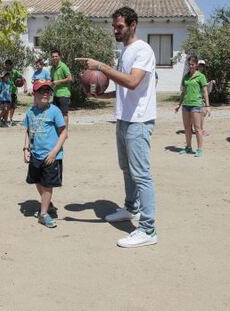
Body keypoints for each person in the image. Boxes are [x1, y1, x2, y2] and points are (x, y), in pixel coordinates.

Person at [76, 6, 158, 248]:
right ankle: (131, 208)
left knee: (141, 174)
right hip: (123, 118)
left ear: (133, 25)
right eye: (114, 26)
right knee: (126, 168)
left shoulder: (144, 50)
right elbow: (124, 88)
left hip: (139, 121)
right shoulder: (125, 52)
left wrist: (101, 67)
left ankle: (148, 229)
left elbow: (133, 82)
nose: (115, 30)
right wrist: (104, 96)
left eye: (119, 26)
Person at [23, 80, 67, 228]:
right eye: (41, 91)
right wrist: (25, 149)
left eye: (48, 91)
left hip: (51, 156)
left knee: (47, 185)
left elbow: (64, 133)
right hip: (35, 154)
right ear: (34, 94)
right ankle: (47, 204)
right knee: (37, 180)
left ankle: (43, 214)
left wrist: (54, 151)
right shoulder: (30, 112)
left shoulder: (54, 111)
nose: (45, 94)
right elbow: (28, 131)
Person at [175, 56, 210, 157]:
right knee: (187, 128)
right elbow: (183, 92)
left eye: (192, 64)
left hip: (196, 105)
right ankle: (188, 147)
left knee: (198, 128)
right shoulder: (186, 77)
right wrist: (179, 104)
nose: (190, 66)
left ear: (196, 65)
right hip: (186, 105)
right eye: (189, 64)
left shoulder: (201, 76)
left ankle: (199, 149)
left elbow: (205, 92)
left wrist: (207, 106)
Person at [50, 50, 72, 127]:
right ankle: (58, 130)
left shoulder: (63, 66)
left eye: (56, 56)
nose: (54, 58)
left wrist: (59, 81)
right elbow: (53, 81)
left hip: (64, 93)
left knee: (64, 113)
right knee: (56, 113)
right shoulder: (52, 68)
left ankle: (65, 131)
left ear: (59, 57)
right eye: (53, 56)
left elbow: (70, 78)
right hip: (56, 94)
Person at [5, 59, 27, 123]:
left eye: (9, 65)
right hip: (6, 92)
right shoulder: (4, 72)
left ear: (11, 65)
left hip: (13, 91)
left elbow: (23, 79)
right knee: (6, 106)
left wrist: (25, 87)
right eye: (6, 65)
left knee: (13, 106)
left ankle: (10, 119)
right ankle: (5, 119)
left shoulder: (15, 72)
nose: (7, 66)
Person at [197, 59, 214, 136]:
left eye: (202, 66)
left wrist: (210, 83)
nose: (201, 67)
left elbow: (203, 86)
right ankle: (200, 130)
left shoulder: (202, 75)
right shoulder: (196, 75)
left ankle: (199, 129)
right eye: (200, 65)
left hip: (201, 98)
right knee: (202, 113)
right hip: (197, 98)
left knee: (202, 114)